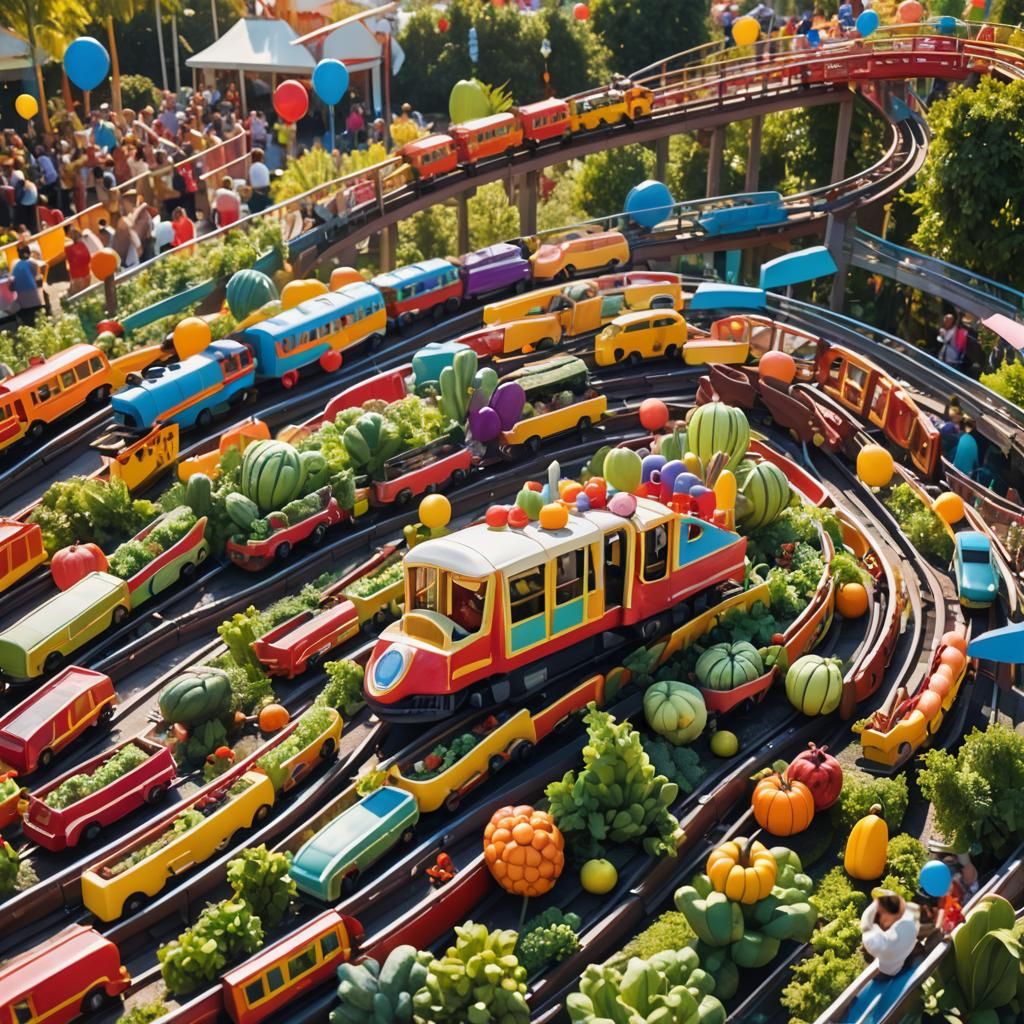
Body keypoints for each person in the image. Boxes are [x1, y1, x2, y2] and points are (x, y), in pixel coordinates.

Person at [860, 890, 919, 977]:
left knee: (876, 976)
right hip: (906, 955)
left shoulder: (882, 944)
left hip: (892, 971)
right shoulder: (910, 919)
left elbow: (868, 927)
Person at [10, 244, 45, 326]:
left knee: (28, 320)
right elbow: (37, 276)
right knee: (37, 317)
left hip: (20, 299)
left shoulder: (15, 264)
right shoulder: (31, 262)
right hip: (32, 296)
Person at [64, 228, 92, 295]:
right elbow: (88, 258)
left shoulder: (68, 248)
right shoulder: (83, 245)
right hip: (87, 274)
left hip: (76, 276)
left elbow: (68, 260)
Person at [248, 148, 271, 213]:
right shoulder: (264, 167)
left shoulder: (251, 167)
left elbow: (249, 182)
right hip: (265, 193)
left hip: (255, 195)